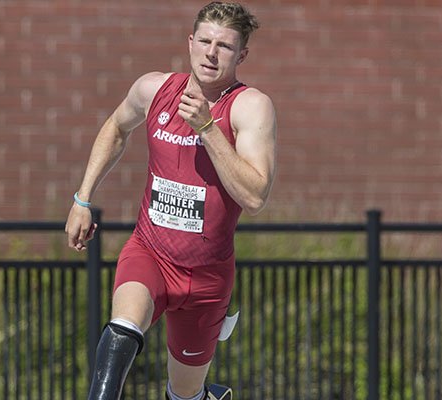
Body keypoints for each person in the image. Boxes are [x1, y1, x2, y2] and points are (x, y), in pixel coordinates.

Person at [65, 2, 276, 399]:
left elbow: (254, 196)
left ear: (242, 55)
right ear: (190, 42)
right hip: (151, 253)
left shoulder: (250, 107)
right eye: (206, 41)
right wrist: (82, 198)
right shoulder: (154, 89)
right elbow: (115, 127)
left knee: (183, 395)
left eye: (225, 47)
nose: (212, 53)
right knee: (122, 329)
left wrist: (208, 128)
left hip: (207, 278)